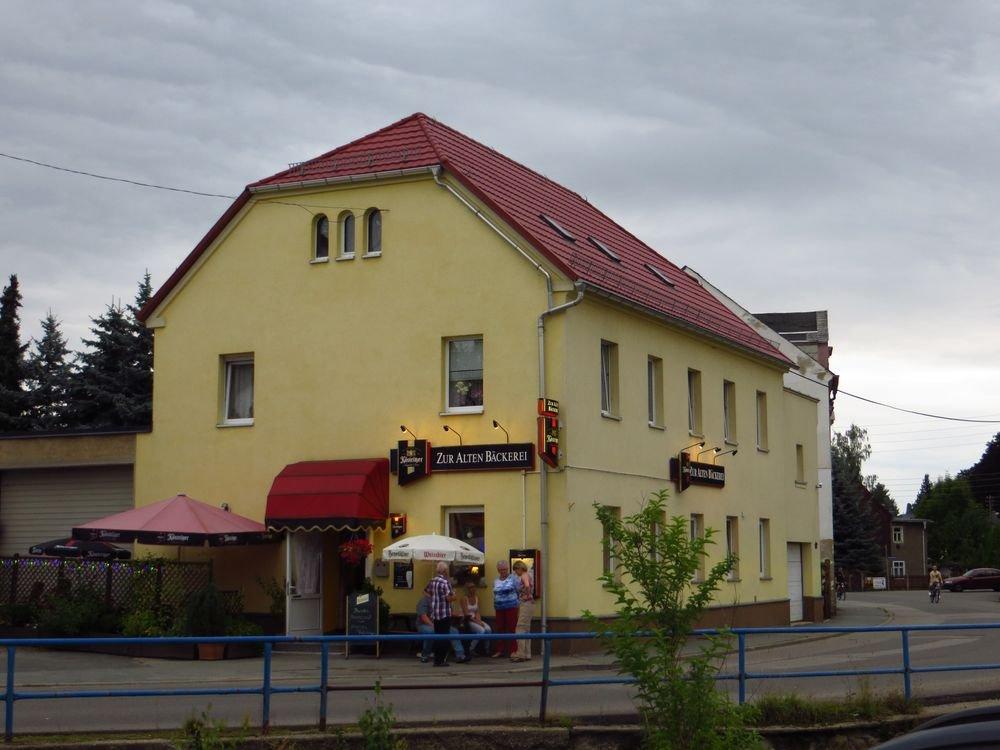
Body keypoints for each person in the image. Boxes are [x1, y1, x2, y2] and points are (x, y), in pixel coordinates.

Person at [415, 593, 467, 663]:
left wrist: (457, 614)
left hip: (439, 624)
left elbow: (445, 613)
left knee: (454, 631)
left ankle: (460, 655)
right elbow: (423, 617)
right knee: (430, 632)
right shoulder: (424, 601)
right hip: (424, 625)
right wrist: (434, 625)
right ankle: (425, 655)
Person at [427, 561, 460, 666]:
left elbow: (426, 592)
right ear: (445, 571)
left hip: (435, 614)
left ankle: (437, 660)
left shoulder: (432, 581)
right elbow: (449, 598)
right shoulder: (445, 582)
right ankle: (441, 660)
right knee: (444, 637)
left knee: (437, 637)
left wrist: (433, 598)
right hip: (444, 613)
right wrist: (455, 595)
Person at [492, 559, 519, 658]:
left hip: (511, 607)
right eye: (501, 569)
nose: (503, 571)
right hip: (499, 608)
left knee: (512, 628)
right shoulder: (496, 581)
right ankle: (500, 650)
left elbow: (518, 591)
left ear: (507, 569)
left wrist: (517, 604)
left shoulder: (513, 579)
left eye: (505, 569)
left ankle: (514, 650)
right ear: (498, 570)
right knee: (500, 629)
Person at [459, 579, 493, 656]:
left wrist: (480, 621)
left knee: (488, 629)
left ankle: (486, 650)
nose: (473, 589)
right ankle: (470, 649)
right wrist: (477, 622)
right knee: (481, 631)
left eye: (474, 587)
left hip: (475, 619)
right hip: (467, 620)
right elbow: (466, 614)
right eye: (470, 587)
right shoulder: (464, 599)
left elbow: (477, 611)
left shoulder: (476, 598)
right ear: (467, 589)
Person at [510, 560, 535, 662]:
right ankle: (527, 653)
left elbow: (527, 585)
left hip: (525, 603)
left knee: (520, 628)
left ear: (520, 568)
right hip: (530, 605)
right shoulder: (529, 575)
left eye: (516, 570)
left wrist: (527, 595)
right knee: (526, 629)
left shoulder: (524, 575)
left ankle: (520, 653)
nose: (516, 573)